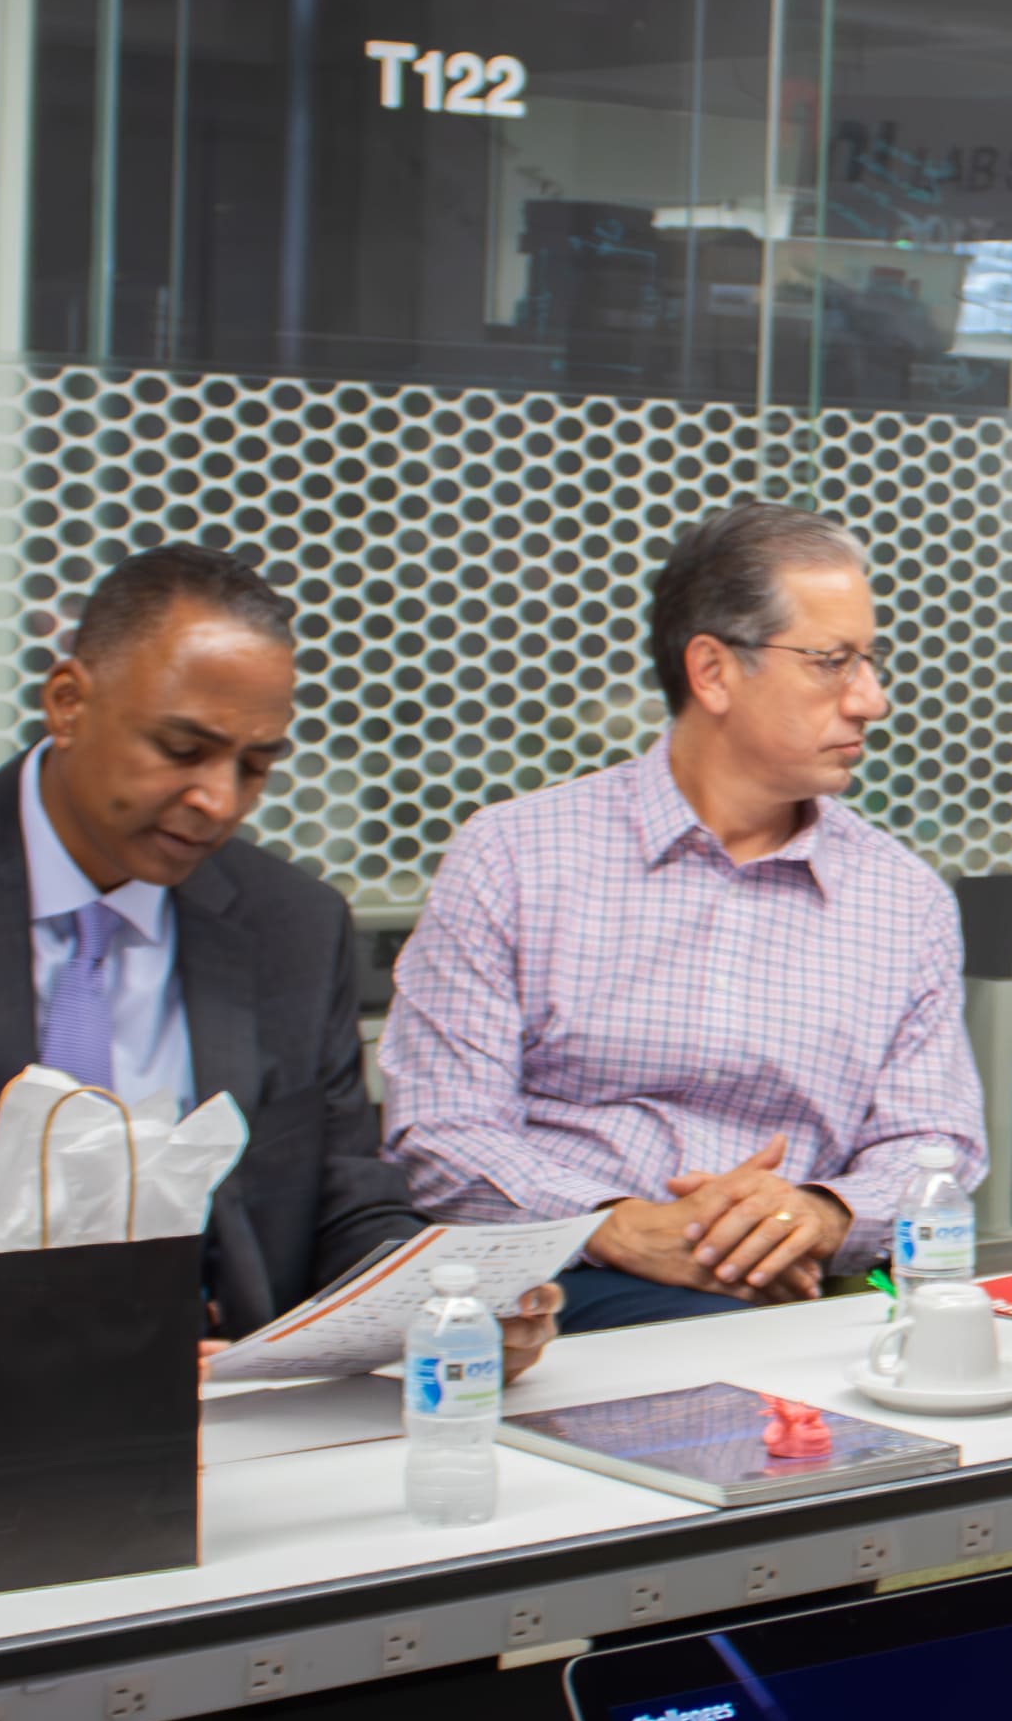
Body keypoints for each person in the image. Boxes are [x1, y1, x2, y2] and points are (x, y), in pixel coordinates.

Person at [0, 544, 555, 1399]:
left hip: (211, 1411)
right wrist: (77, 1332)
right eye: (182, 750)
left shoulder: (289, 923)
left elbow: (341, 1199)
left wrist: (442, 1304)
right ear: (68, 702)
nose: (219, 800)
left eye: (254, 767)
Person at [384, 502, 980, 1333]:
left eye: (870, 661)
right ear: (713, 671)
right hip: (559, 1297)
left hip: (786, 1301)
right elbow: (442, 1134)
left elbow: (936, 1145)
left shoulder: (903, 900)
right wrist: (615, 1227)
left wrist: (820, 1214)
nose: (871, 700)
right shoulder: (517, 855)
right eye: (831, 663)